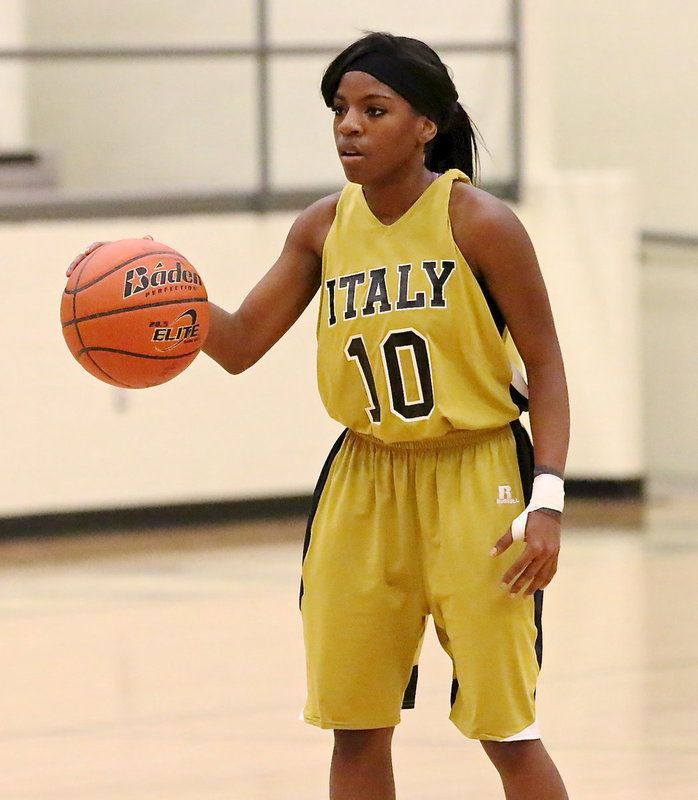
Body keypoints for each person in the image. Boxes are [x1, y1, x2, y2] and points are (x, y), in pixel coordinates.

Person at [70, 31, 570, 800]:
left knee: (507, 730)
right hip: (363, 481)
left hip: (478, 475)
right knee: (355, 726)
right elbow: (240, 343)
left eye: (374, 109)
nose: (349, 126)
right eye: (340, 109)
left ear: (426, 124)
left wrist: (549, 500)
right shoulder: (322, 227)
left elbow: (548, 367)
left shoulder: (480, 222)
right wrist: (166, 298)